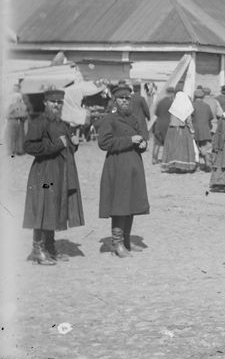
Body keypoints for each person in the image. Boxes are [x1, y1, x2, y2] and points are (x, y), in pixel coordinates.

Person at [23, 88, 84, 265]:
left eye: (59, 102)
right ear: (45, 103)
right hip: (43, 172)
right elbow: (29, 146)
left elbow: (66, 148)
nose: (56, 105)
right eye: (53, 102)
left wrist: (74, 144)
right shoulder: (39, 122)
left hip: (60, 173)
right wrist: (56, 145)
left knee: (53, 208)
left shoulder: (62, 124)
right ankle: (38, 250)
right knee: (43, 208)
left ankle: (49, 248)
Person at [96, 85, 150, 258]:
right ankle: (117, 244)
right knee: (120, 204)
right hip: (118, 166)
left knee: (131, 202)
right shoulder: (109, 119)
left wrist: (143, 144)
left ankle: (126, 240)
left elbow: (141, 136)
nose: (125, 101)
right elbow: (104, 143)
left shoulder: (134, 118)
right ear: (115, 101)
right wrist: (129, 140)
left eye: (127, 98)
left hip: (134, 165)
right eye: (121, 98)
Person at [160, 89, 197, 173]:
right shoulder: (186, 109)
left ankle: (174, 165)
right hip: (182, 130)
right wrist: (192, 130)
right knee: (182, 148)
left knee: (173, 148)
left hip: (171, 130)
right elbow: (189, 121)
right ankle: (182, 166)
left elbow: (170, 119)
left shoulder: (173, 108)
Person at [191, 87, 215, 171]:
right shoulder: (206, 106)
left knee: (194, 149)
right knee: (206, 149)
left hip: (194, 130)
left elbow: (190, 118)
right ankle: (208, 165)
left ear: (194, 96)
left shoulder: (192, 105)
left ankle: (195, 166)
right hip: (205, 130)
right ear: (203, 97)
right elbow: (210, 117)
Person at [150, 86, 174, 165]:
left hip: (159, 123)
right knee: (168, 142)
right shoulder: (172, 102)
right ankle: (167, 159)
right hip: (168, 124)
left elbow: (156, 113)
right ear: (172, 93)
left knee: (157, 143)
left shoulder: (160, 102)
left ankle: (154, 159)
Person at [6, 82, 30, 156]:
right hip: (13, 121)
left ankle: (20, 150)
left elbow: (25, 113)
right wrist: (13, 115)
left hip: (21, 122)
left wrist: (20, 115)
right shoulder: (11, 104)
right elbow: (7, 114)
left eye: (18, 98)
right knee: (12, 136)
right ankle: (12, 150)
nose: (16, 99)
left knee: (21, 136)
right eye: (15, 98)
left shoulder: (23, 104)